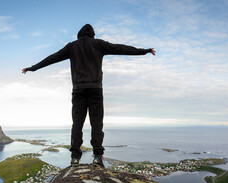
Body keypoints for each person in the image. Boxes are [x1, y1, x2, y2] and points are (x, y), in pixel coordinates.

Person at [22, 24, 155, 168]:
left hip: (78, 91)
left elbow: (52, 58)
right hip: (95, 90)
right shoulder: (99, 44)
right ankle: (97, 157)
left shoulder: (72, 47)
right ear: (92, 34)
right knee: (96, 123)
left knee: (77, 124)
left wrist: (32, 68)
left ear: (79, 34)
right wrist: (144, 51)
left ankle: (74, 158)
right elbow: (121, 48)